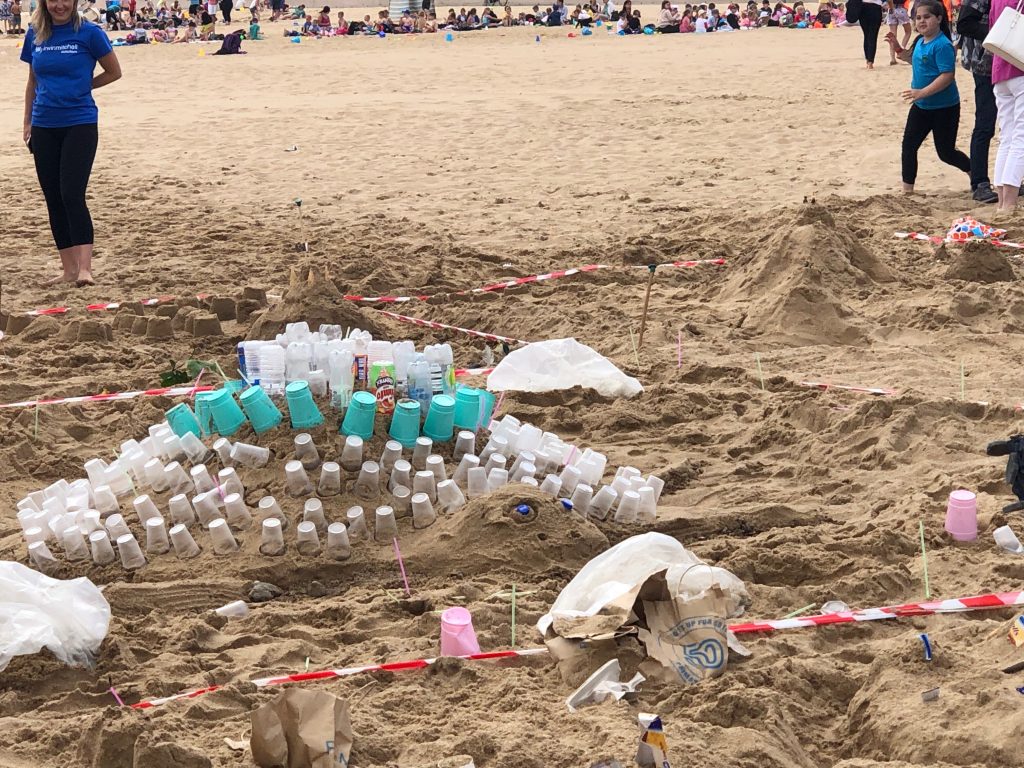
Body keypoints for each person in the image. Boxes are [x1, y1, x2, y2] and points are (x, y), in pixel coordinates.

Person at [21, 0, 120, 287]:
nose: (59, 5)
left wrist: (83, 85)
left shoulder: (89, 33)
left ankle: (85, 270)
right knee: (53, 198)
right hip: (44, 124)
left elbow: (114, 71)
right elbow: (32, 81)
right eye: (53, 0)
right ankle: (68, 270)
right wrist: (27, 121)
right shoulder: (35, 33)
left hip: (80, 122)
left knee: (71, 195)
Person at [900, 0, 970, 194]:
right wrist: (898, 49)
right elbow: (914, 60)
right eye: (918, 17)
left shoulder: (943, 45)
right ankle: (907, 192)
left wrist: (921, 92)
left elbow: (947, 76)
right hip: (921, 106)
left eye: (927, 17)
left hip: (945, 108)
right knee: (908, 146)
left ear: (939, 19)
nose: (921, 21)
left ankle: (974, 172)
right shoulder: (920, 41)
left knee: (946, 153)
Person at [956, 0, 999, 202]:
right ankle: (979, 182)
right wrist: (1001, 32)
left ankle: (1010, 179)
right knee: (985, 124)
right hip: (985, 65)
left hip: (1012, 63)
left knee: (1014, 126)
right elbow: (964, 24)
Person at [990, 0, 1024, 210]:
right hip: (1020, 67)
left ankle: (1003, 201)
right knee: (1020, 136)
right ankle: (1010, 203)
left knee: (1007, 137)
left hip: (1000, 66)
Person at [859, 0, 883, 68]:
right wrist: (891, 7)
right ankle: (870, 61)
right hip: (875, 8)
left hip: (863, 8)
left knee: (866, 35)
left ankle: (867, 59)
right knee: (873, 36)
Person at [885, 0, 910, 64]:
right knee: (908, 32)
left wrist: (890, 7)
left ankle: (892, 59)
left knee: (892, 35)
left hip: (891, 9)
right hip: (901, 8)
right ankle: (900, 51)